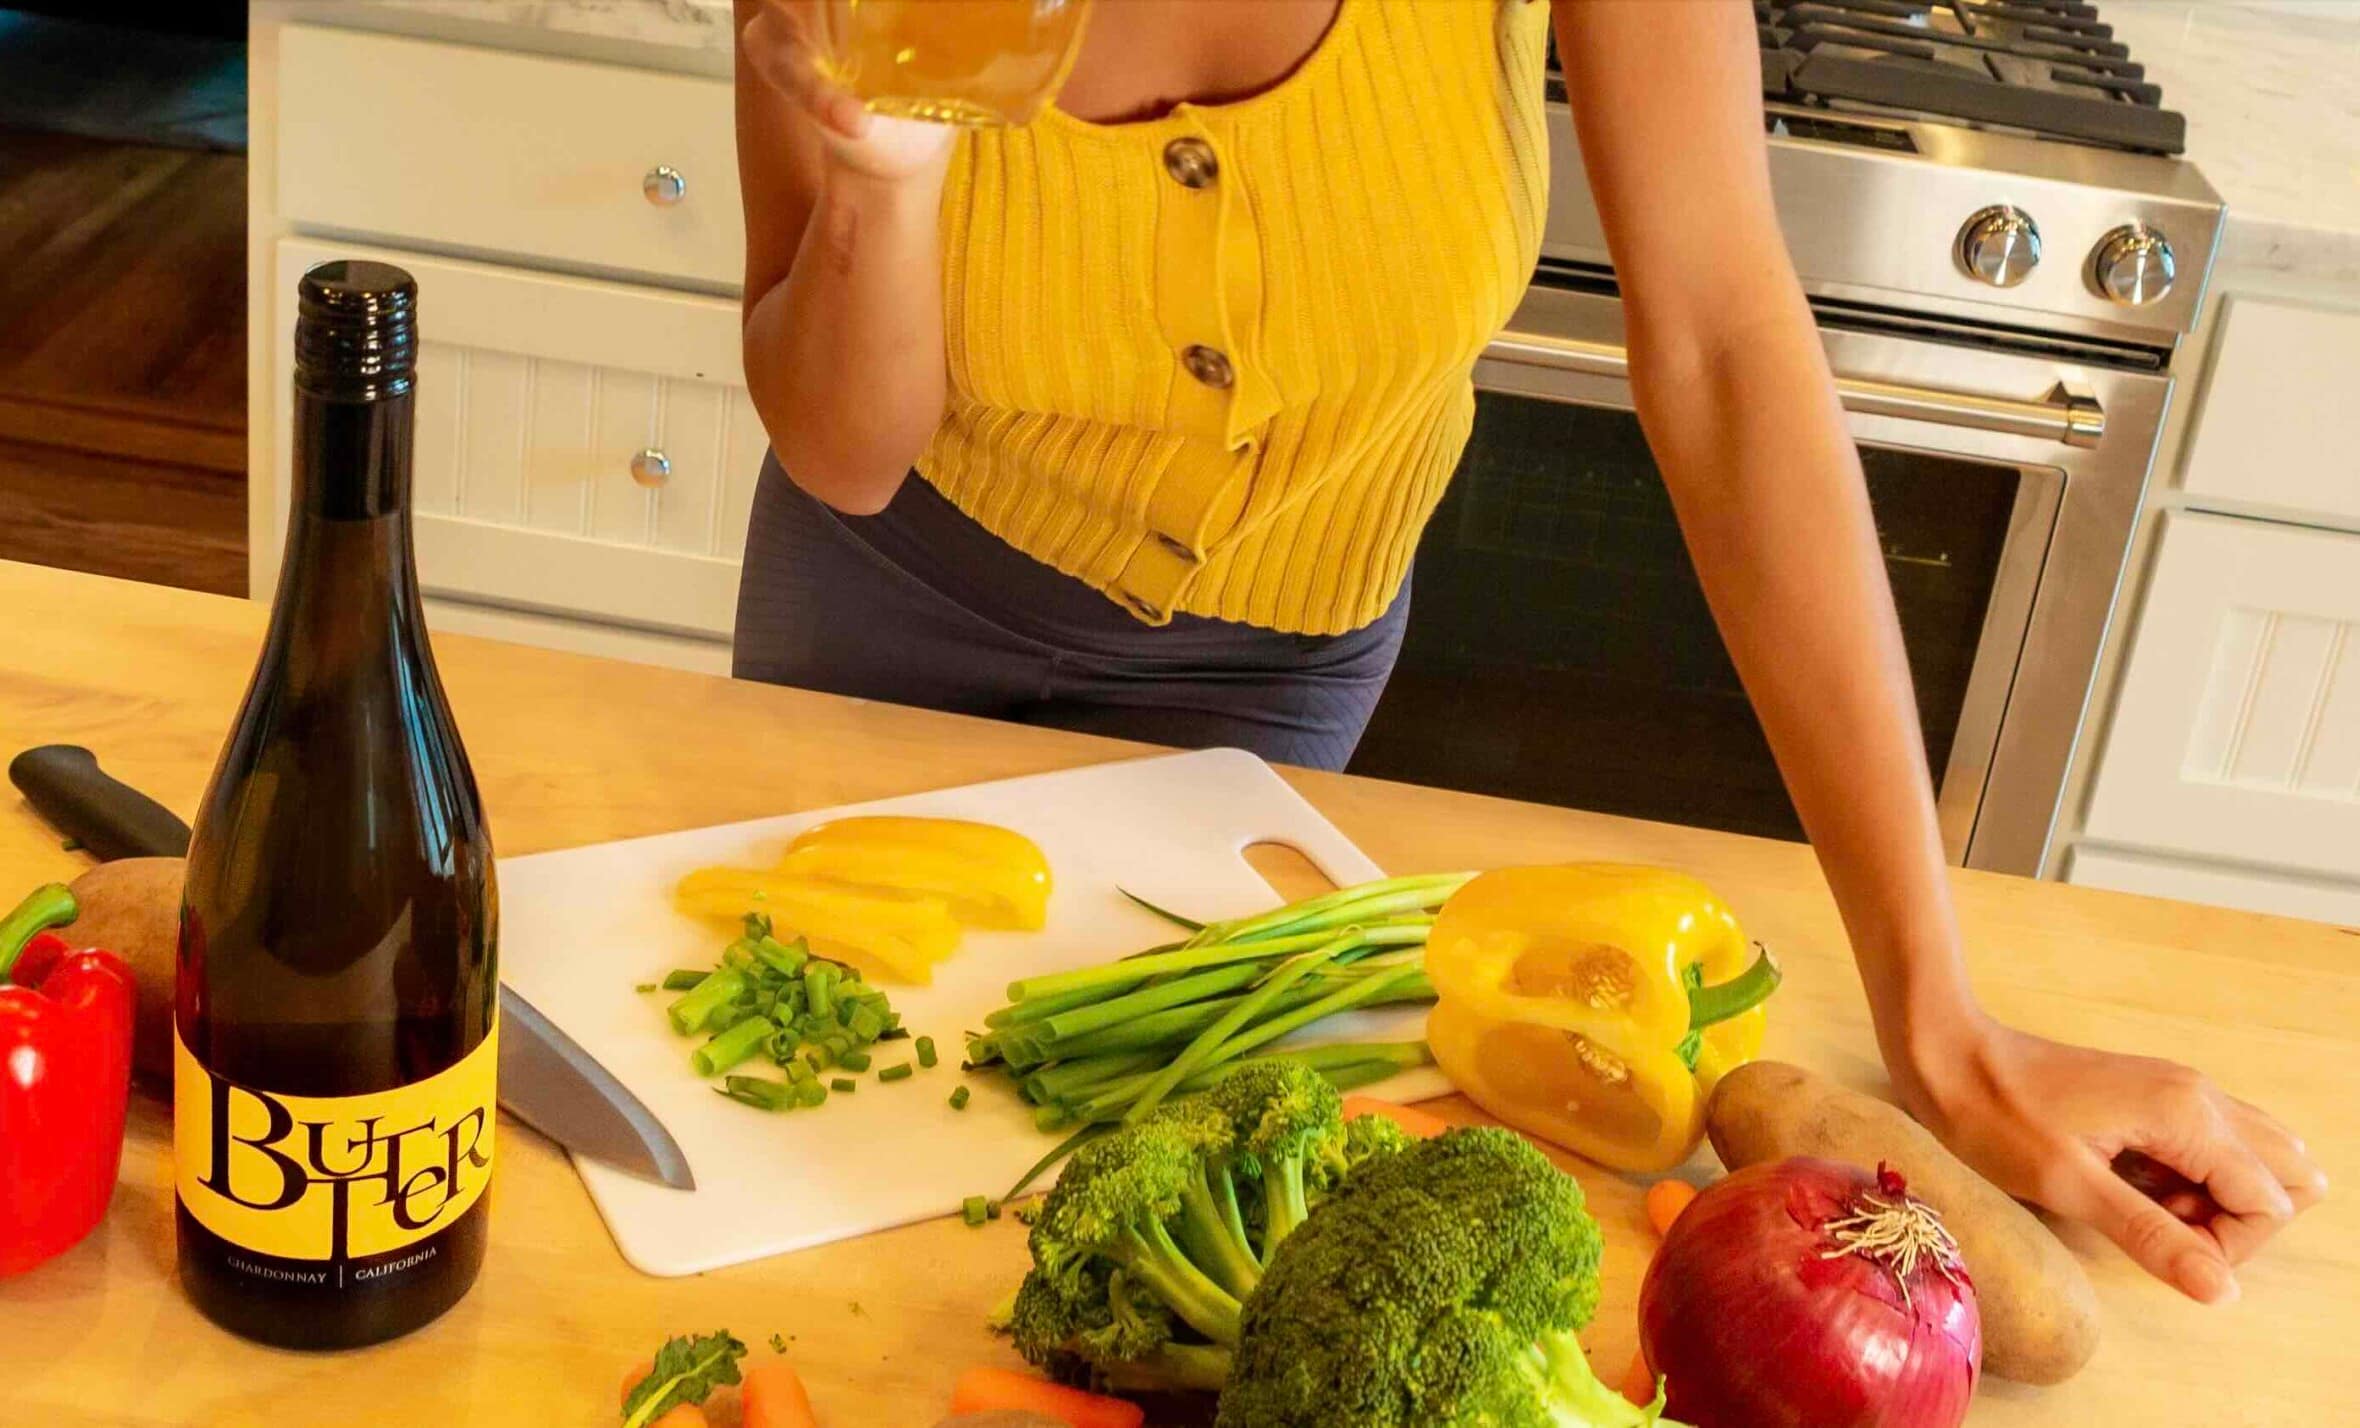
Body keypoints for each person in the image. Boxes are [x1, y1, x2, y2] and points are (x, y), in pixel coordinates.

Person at [729, 0, 2323, 1302]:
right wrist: (887, 181)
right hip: (883, 612)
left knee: (1066, 1200)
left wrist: (1943, 1023)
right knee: (802, 1147)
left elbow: (1723, 342)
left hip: (1272, 682)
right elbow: (846, 449)